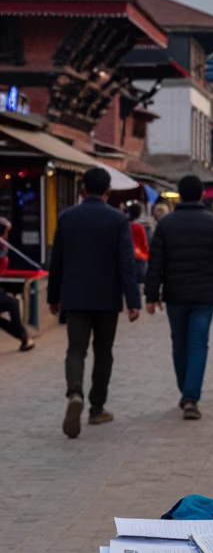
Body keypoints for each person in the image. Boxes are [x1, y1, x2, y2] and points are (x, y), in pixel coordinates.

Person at [48, 166, 141, 438]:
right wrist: (133, 299)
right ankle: (97, 407)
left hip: (75, 296)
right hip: (107, 297)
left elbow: (58, 262)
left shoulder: (67, 217)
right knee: (103, 351)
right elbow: (126, 262)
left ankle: (74, 392)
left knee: (75, 349)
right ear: (108, 192)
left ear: (82, 190)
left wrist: (54, 297)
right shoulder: (117, 220)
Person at [145, 174, 213, 420]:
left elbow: (156, 263)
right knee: (198, 344)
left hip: (175, 293)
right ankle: (191, 397)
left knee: (179, 342)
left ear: (180, 195)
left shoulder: (166, 224)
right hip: (204, 294)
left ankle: (185, 389)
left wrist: (151, 295)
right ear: (203, 195)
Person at [0, 217, 35, 353]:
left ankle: (24, 338)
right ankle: (24, 336)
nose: (6, 236)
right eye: (5, 233)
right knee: (13, 304)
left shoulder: (4, 247)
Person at [128, 201, 150, 287]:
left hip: (129, 255)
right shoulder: (141, 226)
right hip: (140, 257)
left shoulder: (125, 225)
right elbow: (144, 242)